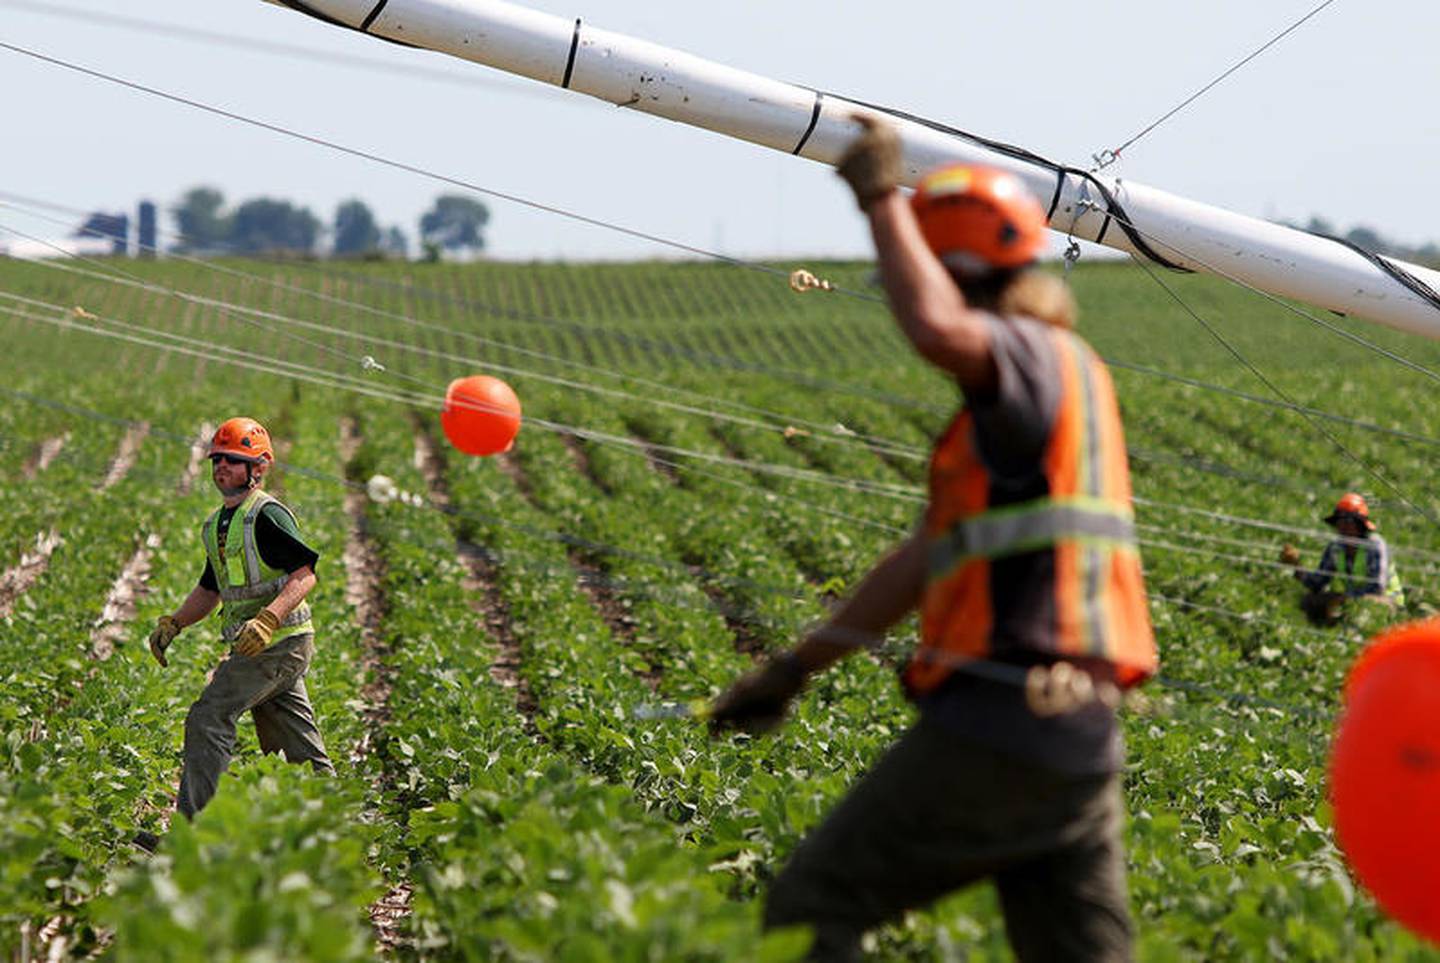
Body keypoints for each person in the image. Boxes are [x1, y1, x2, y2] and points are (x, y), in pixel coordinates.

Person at [709, 117, 1157, 961]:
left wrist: (880, 195)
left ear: (952, 274)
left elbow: (937, 329)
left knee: (814, 902)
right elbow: (920, 562)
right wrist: (791, 670)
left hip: (1005, 720)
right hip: (1078, 734)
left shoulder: (1026, 356)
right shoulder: (1045, 393)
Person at [146, 416, 334, 821]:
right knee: (294, 748)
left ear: (259, 468)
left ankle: (194, 832)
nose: (221, 468)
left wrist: (268, 620)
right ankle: (334, 823)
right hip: (263, 647)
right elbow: (210, 590)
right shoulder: (218, 524)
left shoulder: (267, 515)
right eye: (217, 461)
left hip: (279, 642)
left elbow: (305, 574)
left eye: (232, 460)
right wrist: (175, 623)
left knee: (209, 716)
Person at [1281, 492, 1403, 625]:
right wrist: (1297, 567)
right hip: (1351, 599)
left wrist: (1344, 598)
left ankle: (1344, 625)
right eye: (1340, 521)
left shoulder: (1374, 545)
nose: (1343, 527)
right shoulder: (1336, 548)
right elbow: (1317, 583)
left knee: (1369, 606)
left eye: (1349, 521)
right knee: (1310, 601)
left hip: (1385, 600)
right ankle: (1327, 626)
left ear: (1360, 525)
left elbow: (1377, 588)